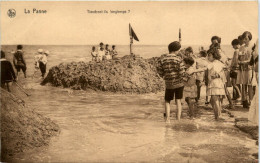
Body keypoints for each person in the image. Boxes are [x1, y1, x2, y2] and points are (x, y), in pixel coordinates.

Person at [158, 41, 185, 123]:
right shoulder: (178, 59)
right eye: (178, 50)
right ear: (176, 50)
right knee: (178, 100)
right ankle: (178, 119)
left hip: (169, 83)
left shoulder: (163, 59)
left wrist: (164, 76)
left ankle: (167, 119)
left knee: (167, 101)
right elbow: (181, 72)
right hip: (179, 83)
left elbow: (159, 70)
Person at [206, 48, 226, 120]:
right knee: (214, 100)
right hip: (219, 83)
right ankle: (218, 115)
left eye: (209, 55)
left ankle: (218, 116)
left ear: (214, 56)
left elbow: (205, 70)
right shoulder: (220, 63)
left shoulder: (211, 64)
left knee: (214, 100)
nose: (208, 57)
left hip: (214, 83)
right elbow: (223, 72)